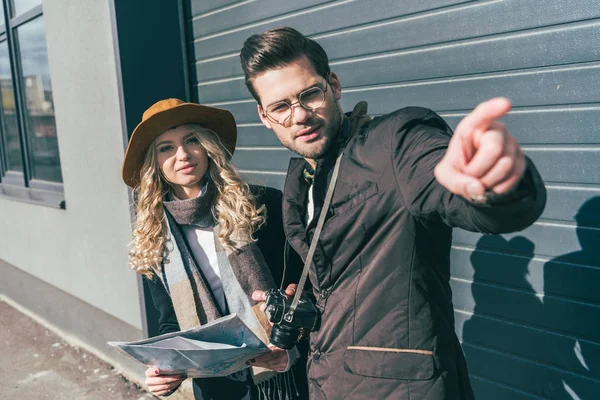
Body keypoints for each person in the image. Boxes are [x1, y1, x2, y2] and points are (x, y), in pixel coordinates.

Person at [240, 27, 547, 399]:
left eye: (309, 94)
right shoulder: (300, 182)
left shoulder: (396, 142)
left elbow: (462, 195)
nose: (300, 115)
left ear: (333, 85)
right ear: (264, 115)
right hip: (327, 385)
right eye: (280, 107)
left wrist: (494, 185)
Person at [121, 98, 308, 400]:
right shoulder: (153, 234)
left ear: (208, 146)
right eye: (165, 147)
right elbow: (171, 321)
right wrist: (164, 371)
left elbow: (304, 290)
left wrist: (290, 351)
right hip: (216, 387)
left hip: (283, 378)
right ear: (153, 162)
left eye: (191, 140)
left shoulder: (264, 206)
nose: (182, 155)